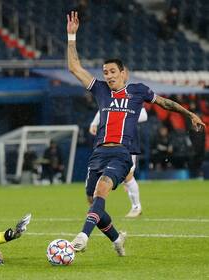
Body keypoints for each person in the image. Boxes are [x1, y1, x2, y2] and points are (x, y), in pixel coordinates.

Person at [66, 11, 205, 256]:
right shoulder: (100, 90)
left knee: (101, 193)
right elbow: (74, 66)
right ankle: (117, 238)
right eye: (105, 72)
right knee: (93, 202)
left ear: (124, 73)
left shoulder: (137, 91)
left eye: (112, 72)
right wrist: (71, 36)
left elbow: (165, 103)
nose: (107, 76)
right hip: (98, 152)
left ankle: (82, 236)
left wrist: (189, 114)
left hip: (121, 154)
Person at [89, 78, 148, 218]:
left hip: (128, 141)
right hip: (112, 140)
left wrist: (125, 116)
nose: (110, 77)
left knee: (128, 176)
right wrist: (94, 122)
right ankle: (99, 207)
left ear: (123, 75)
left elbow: (144, 115)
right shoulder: (109, 94)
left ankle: (136, 207)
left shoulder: (133, 94)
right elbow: (105, 110)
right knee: (116, 175)